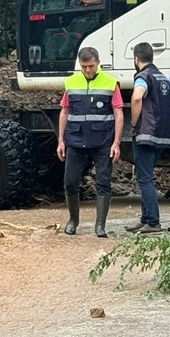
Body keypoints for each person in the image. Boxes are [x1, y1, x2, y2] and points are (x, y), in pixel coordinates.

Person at [57, 45, 124, 237]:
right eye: (84, 66)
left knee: (103, 183)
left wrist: (116, 142)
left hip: (102, 141)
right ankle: (73, 221)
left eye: (91, 66)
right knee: (70, 182)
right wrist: (61, 141)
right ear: (80, 64)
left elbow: (118, 114)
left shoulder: (111, 83)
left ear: (98, 63)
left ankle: (100, 225)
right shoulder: (71, 82)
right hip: (75, 141)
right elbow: (64, 111)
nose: (88, 70)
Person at [126, 42, 170, 234]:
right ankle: (145, 218)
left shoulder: (143, 76)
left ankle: (154, 222)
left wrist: (133, 123)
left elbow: (137, 98)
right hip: (164, 134)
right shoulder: (162, 77)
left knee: (145, 178)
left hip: (147, 133)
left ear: (136, 59)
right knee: (146, 176)